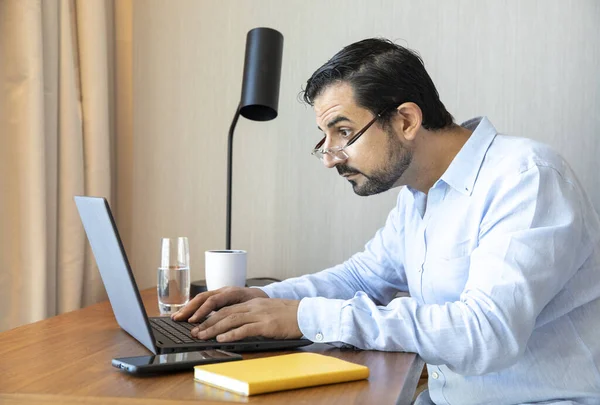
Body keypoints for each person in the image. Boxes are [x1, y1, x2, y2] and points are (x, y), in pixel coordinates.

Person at [173, 38, 600, 405]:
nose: (330, 157)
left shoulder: (525, 177)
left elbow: (485, 333)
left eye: (343, 132)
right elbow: (363, 276)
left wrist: (305, 316)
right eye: (324, 137)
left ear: (407, 120)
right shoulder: (419, 194)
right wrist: (259, 301)